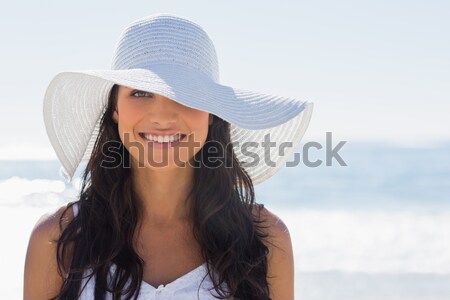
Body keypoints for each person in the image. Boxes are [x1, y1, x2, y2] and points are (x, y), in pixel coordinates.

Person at [24, 13, 313, 300]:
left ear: (211, 113)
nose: (162, 117)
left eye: (185, 95)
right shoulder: (57, 239)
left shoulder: (265, 239)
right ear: (115, 109)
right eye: (140, 93)